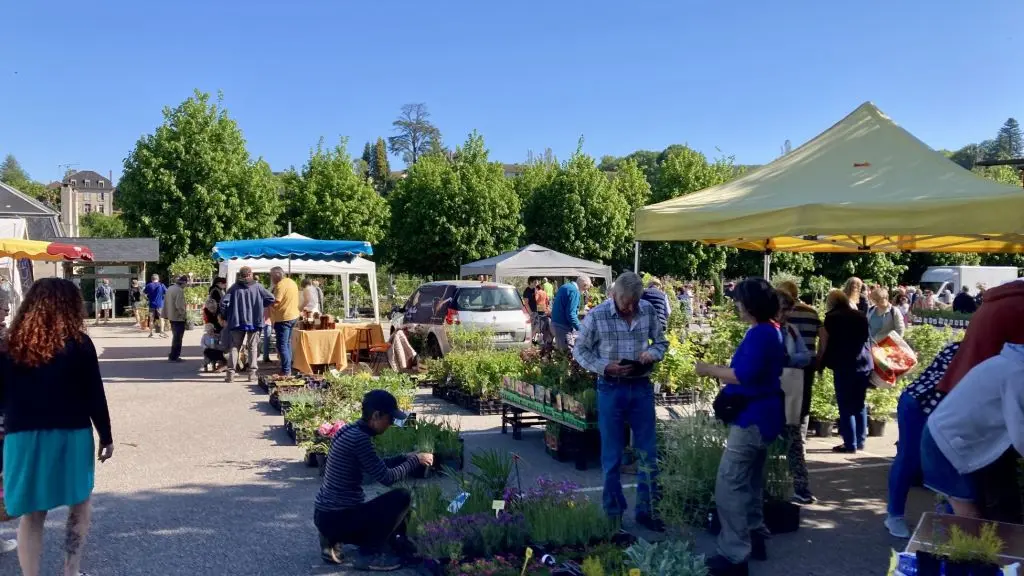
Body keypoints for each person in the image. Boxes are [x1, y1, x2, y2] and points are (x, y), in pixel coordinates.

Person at [0, 278, 114, 576]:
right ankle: (71, 571)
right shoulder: (79, 343)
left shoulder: (10, 345)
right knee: (79, 504)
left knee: (32, 514)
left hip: (23, 437)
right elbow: (94, 394)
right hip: (71, 434)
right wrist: (106, 436)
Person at [696, 278, 785, 576]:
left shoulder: (761, 333)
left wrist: (708, 369)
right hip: (764, 415)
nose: (736, 305)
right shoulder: (770, 330)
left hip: (752, 418)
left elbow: (743, 375)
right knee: (751, 481)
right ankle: (755, 535)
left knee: (729, 483)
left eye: (739, 301)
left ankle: (734, 554)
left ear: (750, 305)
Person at [573, 272, 667, 532]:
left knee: (648, 453)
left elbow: (661, 342)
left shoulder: (647, 310)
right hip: (611, 387)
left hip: (641, 386)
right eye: (626, 302)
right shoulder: (598, 315)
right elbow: (580, 349)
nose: (630, 307)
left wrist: (652, 353)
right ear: (614, 294)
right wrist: (605, 367)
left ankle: (648, 511)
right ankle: (613, 513)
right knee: (612, 455)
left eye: (634, 302)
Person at [935, 278, 1024, 523]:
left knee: (973, 491)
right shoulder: (1018, 307)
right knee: (997, 497)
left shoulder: (1002, 300)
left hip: (967, 397)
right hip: (985, 410)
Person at [314, 390, 431, 570]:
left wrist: (404, 457)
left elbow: (375, 464)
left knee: (388, 519)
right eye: (389, 419)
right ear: (376, 415)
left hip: (325, 515)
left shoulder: (348, 430)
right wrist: (416, 460)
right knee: (401, 497)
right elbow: (386, 477)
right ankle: (368, 555)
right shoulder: (359, 439)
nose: (391, 424)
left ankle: (331, 537)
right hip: (339, 517)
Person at [922, 342, 1024, 519]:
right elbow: (1020, 434)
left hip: (960, 439)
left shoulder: (1011, 362)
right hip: (946, 444)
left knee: (978, 509)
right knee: (969, 516)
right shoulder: (1017, 373)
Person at [884, 342, 960, 538]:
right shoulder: (966, 349)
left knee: (950, 462)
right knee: (909, 458)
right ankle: (894, 515)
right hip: (919, 403)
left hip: (944, 409)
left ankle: (946, 520)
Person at [775, 281, 820, 504]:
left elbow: (805, 356)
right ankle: (768, 489)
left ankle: (801, 488)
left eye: (788, 309)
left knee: (793, 441)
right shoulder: (765, 330)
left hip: (788, 389)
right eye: (783, 309)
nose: (786, 314)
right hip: (769, 394)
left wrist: (788, 359)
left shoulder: (791, 330)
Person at [817, 290, 872, 453]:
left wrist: (820, 363)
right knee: (859, 403)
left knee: (845, 405)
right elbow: (866, 338)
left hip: (843, 364)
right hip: (863, 363)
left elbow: (825, 343)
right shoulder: (860, 315)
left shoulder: (831, 318)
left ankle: (850, 443)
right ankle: (860, 440)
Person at [221, 266, 275, 382]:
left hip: (237, 321)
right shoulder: (258, 287)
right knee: (252, 347)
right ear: (250, 274)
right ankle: (252, 374)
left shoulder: (234, 288)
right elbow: (271, 298)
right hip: (254, 321)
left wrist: (226, 316)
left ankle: (230, 374)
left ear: (240, 275)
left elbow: (223, 303)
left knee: (235, 347)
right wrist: (261, 305)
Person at [269, 267, 301, 376]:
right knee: (287, 344)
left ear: (276, 276)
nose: (271, 278)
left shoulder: (280, 285)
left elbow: (276, 302)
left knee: (282, 345)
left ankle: (286, 370)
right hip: (293, 316)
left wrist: (267, 302)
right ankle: (288, 367)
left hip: (284, 318)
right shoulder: (291, 282)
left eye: (271, 276)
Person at [550, 276, 592, 350]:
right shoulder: (574, 291)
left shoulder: (565, 286)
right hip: (563, 327)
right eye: (586, 289)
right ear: (584, 285)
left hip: (555, 324)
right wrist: (581, 329)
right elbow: (571, 314)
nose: (585, 292)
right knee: (567, 354)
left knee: (561, 353)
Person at [202, 278, 228, 371]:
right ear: (219, 283)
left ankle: (215, 362)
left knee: (213, 343)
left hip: (213, 324)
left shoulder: (214, 290)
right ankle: (219, 362)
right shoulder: (216, 291)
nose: (225, 285)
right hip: (215, 324)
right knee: (216, 343)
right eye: (224, 283)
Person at [164, 275, 188, 362]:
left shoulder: (170, 288)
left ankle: (173, 355)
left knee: (175, 336)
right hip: (178, 317)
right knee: (178, 338)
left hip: (171, 315)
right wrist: (184, 315)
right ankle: (174, 356)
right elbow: (179, 305)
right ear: (184, 283)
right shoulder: (179, 290)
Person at [144, 274, 167, 338]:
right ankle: (161, 332)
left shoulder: (149, 285)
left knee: (151, 319)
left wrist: (147, 298)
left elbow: (144, 294)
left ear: (152, 279)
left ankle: (151, 333)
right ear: (158, 279)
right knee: (161, 319)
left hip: (151, 305)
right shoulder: (161, 285)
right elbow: (167, 293)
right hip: (160, 305)